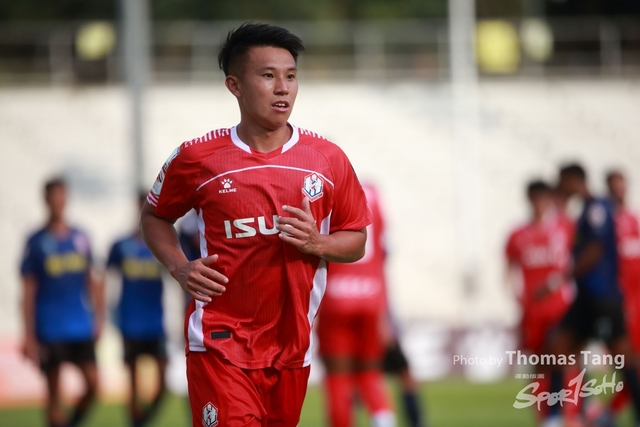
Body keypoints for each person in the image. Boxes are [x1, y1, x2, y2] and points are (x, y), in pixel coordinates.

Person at [139, 22, 371, 426]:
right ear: (235, 85)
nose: (283, 88)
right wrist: (179, 266)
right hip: (219, 343)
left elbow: (357, 240)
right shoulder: (198, 158)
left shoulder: (328, 159)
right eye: (268, 76)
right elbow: (154, 216)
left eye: (291, 76)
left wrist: (317, 243)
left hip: (291, 348)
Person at [545, 164, 640, 427]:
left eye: (563, 182)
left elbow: (595, 250)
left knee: (624, 359)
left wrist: (562, 277)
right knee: (558, 349)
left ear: (573, 180)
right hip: (587, 298)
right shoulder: (588, 210)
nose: (561, 189)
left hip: (602, 299)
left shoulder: (596, 209)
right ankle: (555, 418)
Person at [20, 177, 103, 427]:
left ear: (66, 199)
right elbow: (28, 291)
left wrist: (99, 318)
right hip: (50, 327)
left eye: (62, 195)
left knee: (94, 384)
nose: (58, 201)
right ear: (46, 200)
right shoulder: (36, 241)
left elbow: (92, 281)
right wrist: (29, 335)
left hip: (80, 324)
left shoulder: (81, 238)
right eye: (53, 196)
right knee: (54, 396)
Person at [316, 183, 396, 427]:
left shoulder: (325, 190)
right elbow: (384, 253)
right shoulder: (373, 194)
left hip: (336, 298)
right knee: (370, 375)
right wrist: (385, 311)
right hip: (371, 298)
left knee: (338, 378)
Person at [505, 180, 575, 423]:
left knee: (565, 359)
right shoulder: (517, 235)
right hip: (533, 311)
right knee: (539, 363)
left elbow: (580, 259)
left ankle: (569, 415)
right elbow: (509, 269)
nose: (539, 204)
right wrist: (516, 295)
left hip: (560, 307)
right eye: (535, 199)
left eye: (543, 199)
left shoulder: (564, 228)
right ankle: (544, 417)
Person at [107, 193, 167, 427]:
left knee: (163, 381)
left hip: (155, 321)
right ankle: (135, 421)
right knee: (133, 382)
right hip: (130, 321)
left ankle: (143, 420)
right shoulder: (121, 245)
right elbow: (105, 278)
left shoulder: (163, 245)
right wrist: (109, 313)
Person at [592, 170, 640, 423]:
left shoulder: (634, 220)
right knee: (630, 364)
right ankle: (607, 413)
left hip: (638, 300)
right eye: (615, 187)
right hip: (620, 302)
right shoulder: (605, 224)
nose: (620, 191)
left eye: (623, 186)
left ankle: (608, 413)